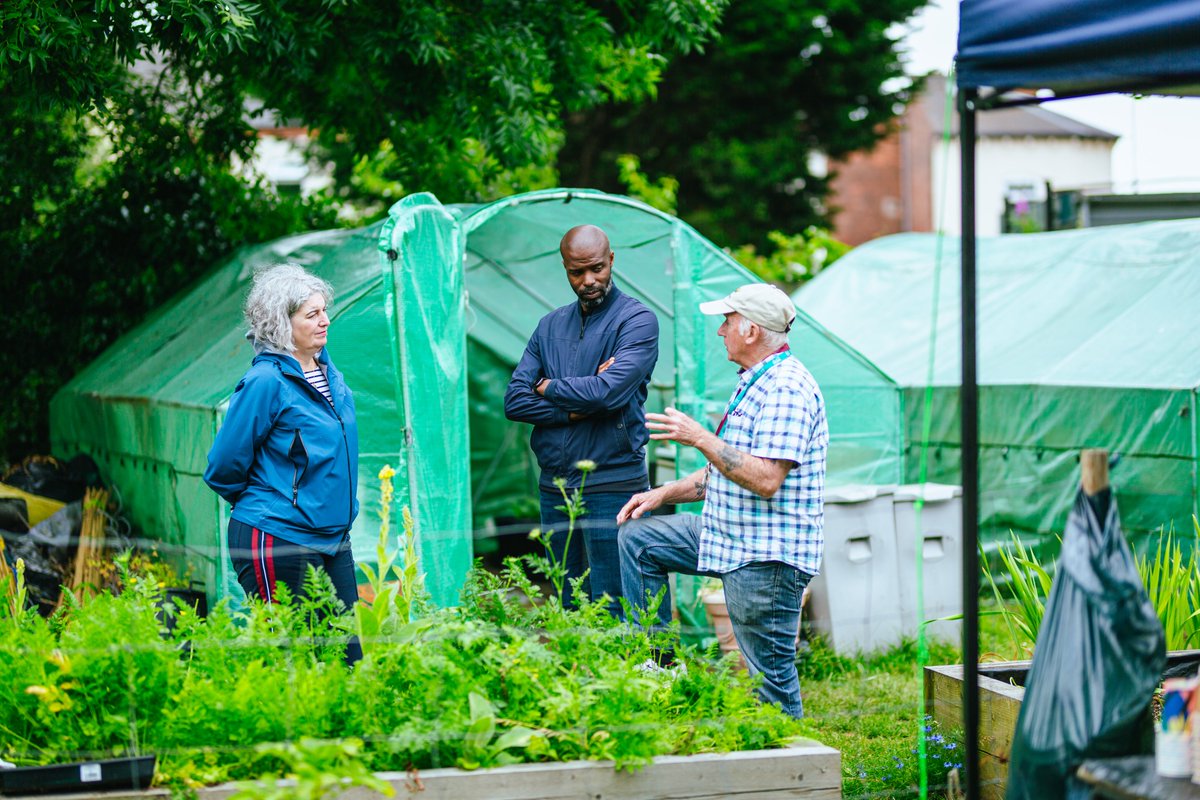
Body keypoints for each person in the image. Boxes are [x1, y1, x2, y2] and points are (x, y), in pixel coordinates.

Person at [617, 283, 827, 718]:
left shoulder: (786, 389)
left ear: (750, 330)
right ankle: (659, 668)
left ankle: (791, 768)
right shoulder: (755, 382)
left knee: (769, 680)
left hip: (765, 556)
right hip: (729, 535)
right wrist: (662, 494)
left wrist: (699, 437)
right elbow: (725, 471)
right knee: (639, 540)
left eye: (727, 321)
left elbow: (766, 478)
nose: (720, 331)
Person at [204, 263, 362, 664]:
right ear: (280, 323)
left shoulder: (328, 372)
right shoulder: (265, 383)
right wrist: (275, 501)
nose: (325, 321)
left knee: (346, 658)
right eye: (312, 314)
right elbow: (222, 466)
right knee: (295, 662)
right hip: (277, 536)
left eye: (324, 310)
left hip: (332, 535)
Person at [504, 224, 659, 616]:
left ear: (611, 261)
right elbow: (514, 402)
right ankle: (581, 677)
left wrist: (548, 386)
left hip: (614, 481)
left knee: (618, 596)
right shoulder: (550, 325)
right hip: (555, 485)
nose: (588, 281)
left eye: (596, 269)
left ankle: (635, 674)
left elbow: (608, 393)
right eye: (577, 272)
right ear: (565, 268)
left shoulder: (637, 321)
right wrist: (578, 403)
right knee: (567, 596)